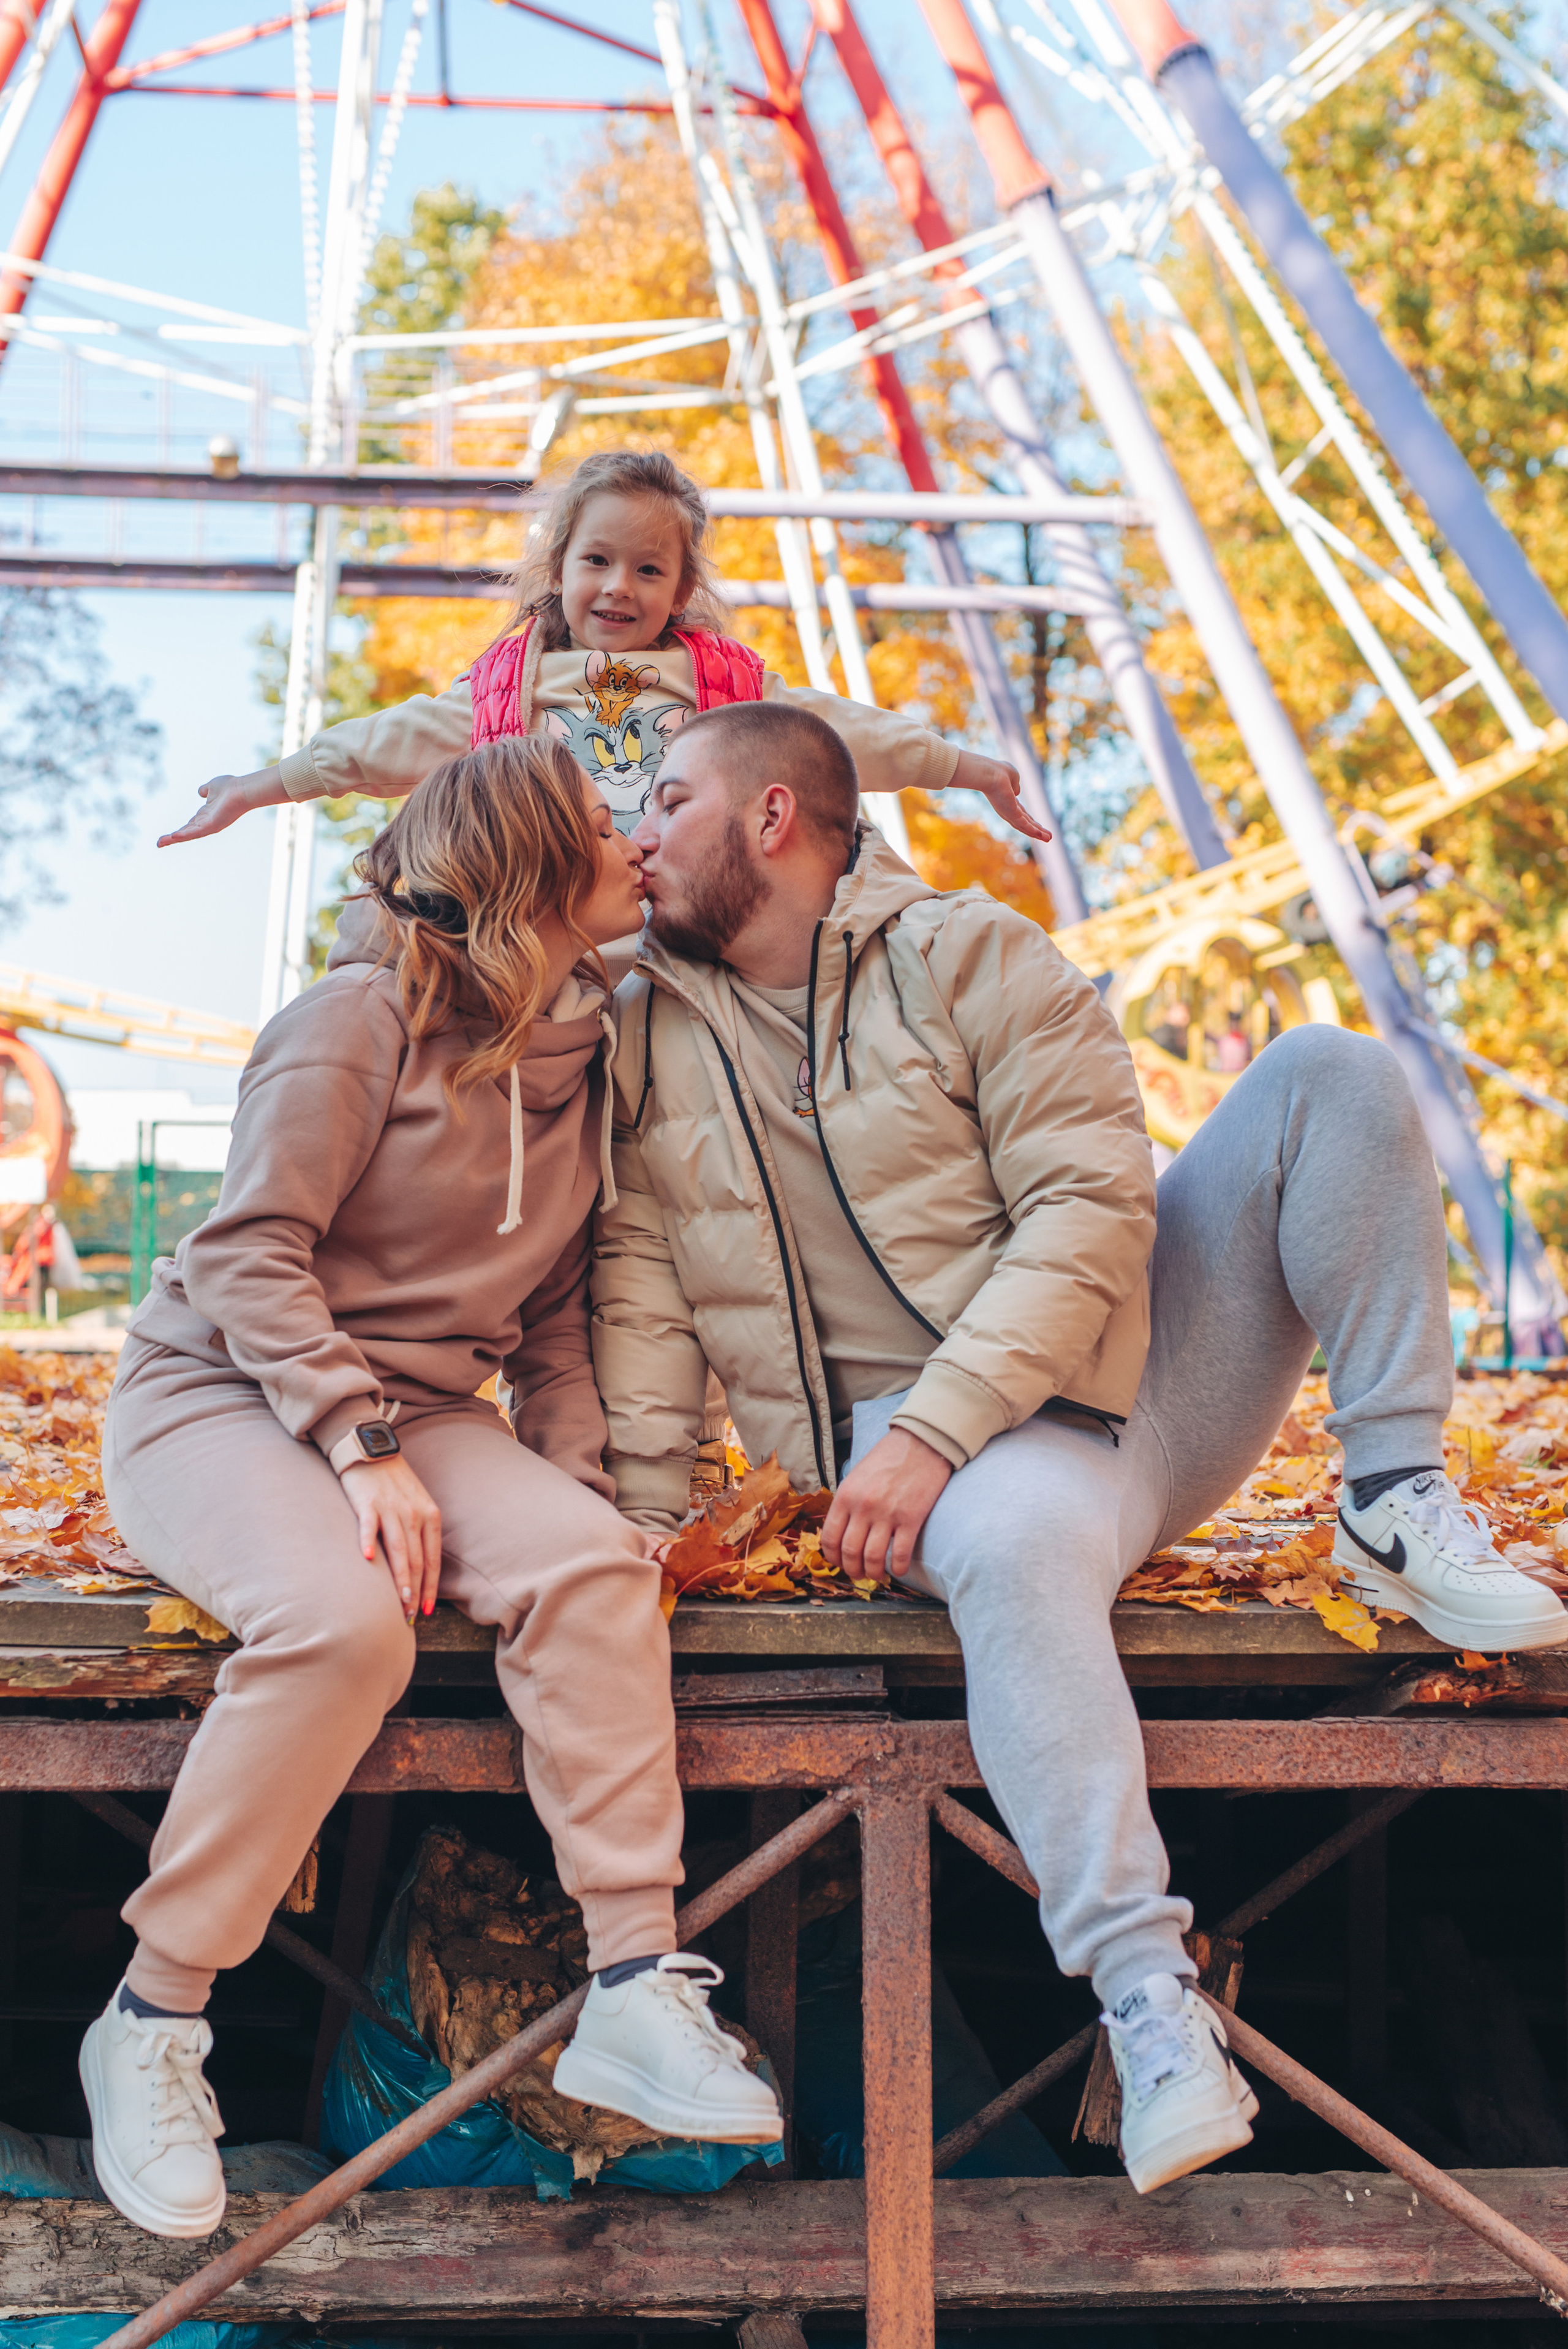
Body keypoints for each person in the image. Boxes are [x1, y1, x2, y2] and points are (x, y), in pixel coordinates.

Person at [589, 697, 1568, 2201]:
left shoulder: (971, 954)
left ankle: (1390, 1491)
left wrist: (937, 1421)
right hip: (929, 1476)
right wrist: (647, 1526)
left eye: (664, 799)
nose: (637, 831)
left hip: (1125, 1382)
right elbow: (648, 1297)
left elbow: (1092, 1213)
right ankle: (1145, 1994)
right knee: (1016, 1539)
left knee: (1329, 1070)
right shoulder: (640, 1031)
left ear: (771, 817)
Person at [85, 738, 779, 2244]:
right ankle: (154, 2015)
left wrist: (595, 1494)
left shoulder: (590, 1051)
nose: (631, 838)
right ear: (530, 864)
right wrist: (359, 1447)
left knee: (594, 1570)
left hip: (408, 1411)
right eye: (602, 823)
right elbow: (244, 1255)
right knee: (345, 1632)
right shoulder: (352, 1021)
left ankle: (633, 1987)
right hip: (222, 1392)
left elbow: (546, 1326)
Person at [155, 449, 1049, 849]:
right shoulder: (512, 691)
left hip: (683, 928)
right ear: (559, 568)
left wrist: (964, 768)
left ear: (682, 590)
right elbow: (376, 746)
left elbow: (837, 734)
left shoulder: (720, 686)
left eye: (649, 569)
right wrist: (255, 789)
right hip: (556, 926)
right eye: (598, 561)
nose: (621, 585)